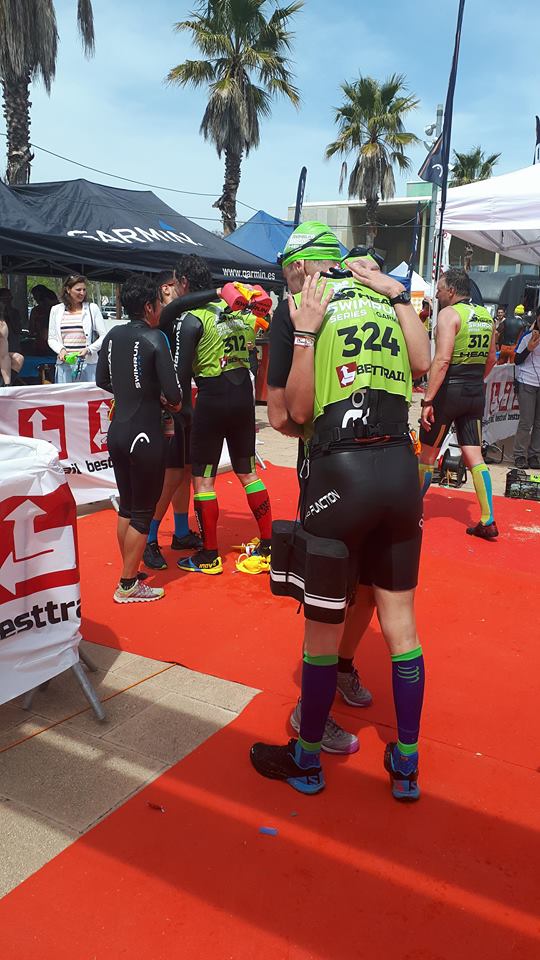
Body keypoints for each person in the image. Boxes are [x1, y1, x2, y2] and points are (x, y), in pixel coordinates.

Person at [251, 253, 431, 800]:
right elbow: (423, 364)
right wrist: (394, 292)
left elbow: (296, 412)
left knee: (322, 631)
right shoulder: (388, 299)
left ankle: (307, 759)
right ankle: (406, 765)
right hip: (399, 470)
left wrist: (305, 335)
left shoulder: (312, 301)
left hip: (340, 474)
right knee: (402, 628)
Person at [267, 224, 376, 756]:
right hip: (334, 468)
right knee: (332, 589)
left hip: (374, 468)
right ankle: (313, 709)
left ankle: (342, 669)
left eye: (290, 272)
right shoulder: (291, 312)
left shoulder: (372, 299)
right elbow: (281, 413)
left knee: (369, 583)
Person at [160, 254, 273, 576]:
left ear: (184, 282)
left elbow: (180, 376)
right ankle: (268, 545)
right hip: (243, 399)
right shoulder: (239, 311)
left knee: (203, 479)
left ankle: (209, 555)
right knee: (248, 472)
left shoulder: (191, 319)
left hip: (211, 400)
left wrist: (179, 411)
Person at [96, 274, 182, 603]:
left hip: (118, 431)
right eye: (159, 303)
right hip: (145, 435)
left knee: (128, 508)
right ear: (148, 307)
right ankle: (128, 584)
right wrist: (157, 398)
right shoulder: (155, 338)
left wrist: (129, 391)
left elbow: (102, 379)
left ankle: (128, 570)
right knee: (143, 512)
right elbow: (175, 395)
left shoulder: (113, 335)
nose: (161, 308)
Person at [418, 268, 497, 539]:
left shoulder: (449, 314)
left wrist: (428, 400)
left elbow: (442, 360)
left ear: (451, 290)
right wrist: (474, 381)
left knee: (427, 456)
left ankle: (410, 511)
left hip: (449, 391)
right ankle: (488, 518)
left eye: (440, 289)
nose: (437, 294)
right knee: (474, 456)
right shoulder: (486, 316)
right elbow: (492, 359)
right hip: (475, 390)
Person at [143, 269, 202, 571]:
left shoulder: (180, 318)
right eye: (179, 284)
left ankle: (180, 531)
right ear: (167, 289)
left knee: (185, 470)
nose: (183, 289)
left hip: (183, 403)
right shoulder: (164, 318)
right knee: (172, 475)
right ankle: (149, 538)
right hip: (168, 406)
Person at [48, 275, 107, 383]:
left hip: (88, 365)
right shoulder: (56, 310)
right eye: (78, 290)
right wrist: (61, 350)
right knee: (65, 394)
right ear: (68, 289)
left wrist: (89, 349)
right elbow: (51, 338)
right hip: (65, 365)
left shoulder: (92, 308)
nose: (82, 293)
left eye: (84, 290)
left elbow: (104, 336)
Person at [513, 307, 540, 469]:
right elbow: (516, 360)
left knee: (538, 423)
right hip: (527, 382)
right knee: (526, 421)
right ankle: (520, 455)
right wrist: (529, 348)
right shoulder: (527, 336)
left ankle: (534, 455)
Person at [29, 285, 58, 355]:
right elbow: (31, 329)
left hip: (57, 345)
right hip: (42, 344)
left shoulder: (59, 310)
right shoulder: (36, 311)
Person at [0, 302, 24, 386]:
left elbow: (3, 356)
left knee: (18, 358)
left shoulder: (2, 325)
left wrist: (7, 384)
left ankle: (4, 386)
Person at [0, 287, 23, 354]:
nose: (8, 300)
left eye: (9, 297)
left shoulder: (15, 313)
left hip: (13, 347)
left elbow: (18, 330)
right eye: (4, 298)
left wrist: (10, 314)